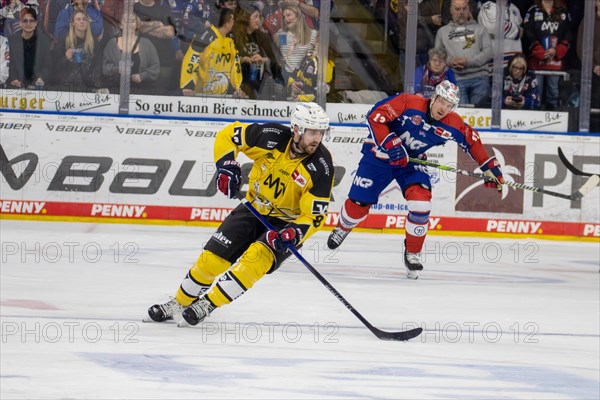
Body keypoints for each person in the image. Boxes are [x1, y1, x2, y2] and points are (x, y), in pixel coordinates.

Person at [147, 102, 334, 326]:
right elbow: (229, 135)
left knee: (252, 262)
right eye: (312, 132)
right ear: (296, 129)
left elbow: (314, 216)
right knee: (211, 260)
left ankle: (209, 304)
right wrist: (226, 165)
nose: (317, 138)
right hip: (253, 208)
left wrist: (294, 232)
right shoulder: (271, 136)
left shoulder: (322, 166)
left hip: (284, 226)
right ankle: (179, 301)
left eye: (321, 132)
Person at [326, 80, 505, 279]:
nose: (444, 108)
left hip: (411, 163)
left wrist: (490, 168)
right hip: (379, 156)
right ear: (434, 97)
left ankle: (412, 251)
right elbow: (375, 117)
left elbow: (471, 140)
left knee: (421, 203)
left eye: (449, 105)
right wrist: (392, 145)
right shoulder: (408, 103)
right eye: (442, 101)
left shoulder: (451, 123)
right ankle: (343, 227)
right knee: (357, 205)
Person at [435, 0, 493, 106]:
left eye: (464, 8)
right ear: (451, 11)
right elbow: (437, 56)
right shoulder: (442, 32)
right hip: (456, 79)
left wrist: (468, 62)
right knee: (460, 116)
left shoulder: (481, 29)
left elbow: (489, 52)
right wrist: (450, 61)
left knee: (481, 115)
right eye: (457, 9)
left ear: (469, 10)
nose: (461, 12)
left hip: (480, 79)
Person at [180, 8, 245, 97]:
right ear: (227, 22)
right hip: (200, 96)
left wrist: (237, 88)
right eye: (234, 20)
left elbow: (235, 65)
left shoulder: (231, 40)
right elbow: (191, 59)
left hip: (223, 97)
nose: (235, 24)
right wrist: (188, 85)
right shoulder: (204, 36)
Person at [522, 0, 572, 110]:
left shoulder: (563, 11)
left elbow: (568, 33)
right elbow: (527, 32)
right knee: (535, 93)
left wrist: (557, 50)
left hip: (556, 61)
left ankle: (554, 123)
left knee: (554, 94)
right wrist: (538, 50)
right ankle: (533, 120)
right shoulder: (532, 11)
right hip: (536, 61)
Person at [102, 12, 159, 94]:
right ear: (121, 25)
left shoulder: (147, 43)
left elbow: (155, 67)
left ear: (136, 24)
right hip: (116, 90)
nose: (129, 23)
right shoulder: (112, 43)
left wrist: (142, 76)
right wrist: (117, 69)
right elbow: (105, 68)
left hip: (142, 91)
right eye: (126, 20)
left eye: (132, 20)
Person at [54, 8, 101, 91]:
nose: (82, 21)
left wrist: (94, 87)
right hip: (66, 86)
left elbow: (97, 66)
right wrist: (65, 58)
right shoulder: (64, 40)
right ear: (73, 23)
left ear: (88, 23)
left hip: (87, 87)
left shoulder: (94, 41)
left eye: (84, 19)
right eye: (78, 19)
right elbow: (55, 67)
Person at [7, 7, 52, 89]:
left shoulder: (44, 41)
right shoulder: (12, 41)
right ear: (20, 23)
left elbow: (47, 65)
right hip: (16, 86)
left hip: (38, 85)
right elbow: (11, 64)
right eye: (25, 21)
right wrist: (14, 79)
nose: (28, 24)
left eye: (31, 21)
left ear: (36, 23)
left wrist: (41, 78)